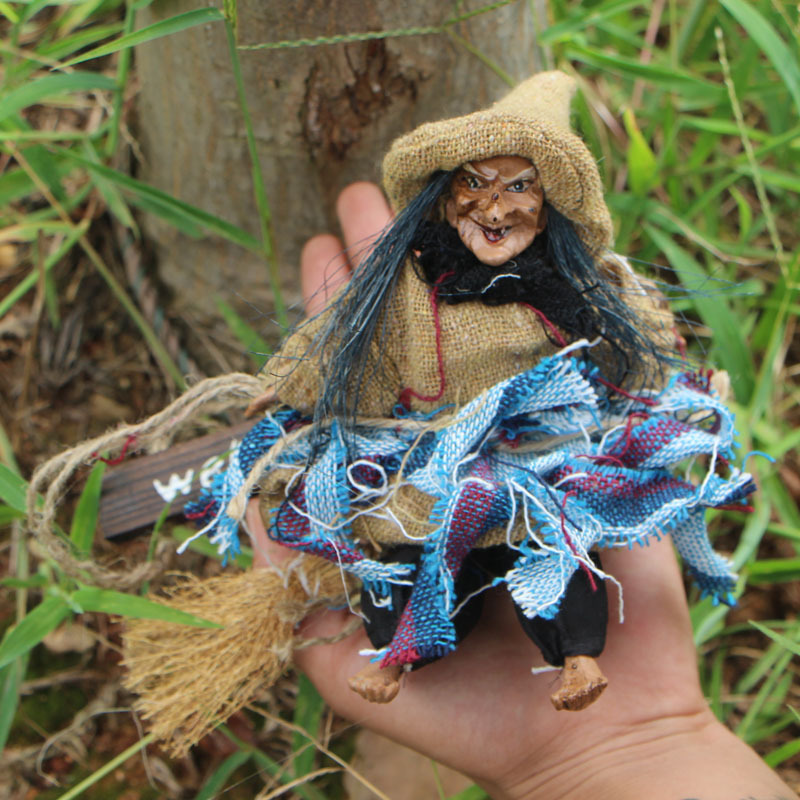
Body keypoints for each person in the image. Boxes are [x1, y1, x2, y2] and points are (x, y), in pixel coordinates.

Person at [245, 180, 798, 800]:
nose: (495, 209)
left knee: (562, 554)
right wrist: (292, 388)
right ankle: (399, 659)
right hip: (434, 470)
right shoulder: (410, 287)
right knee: (417, 566)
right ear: (445, 208)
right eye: (474, 190)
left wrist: (657, 365)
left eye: (516, 190)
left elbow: (616, 333)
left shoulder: (554, 283)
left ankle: (578, 659)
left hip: (537, 463)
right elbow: (343, 339)